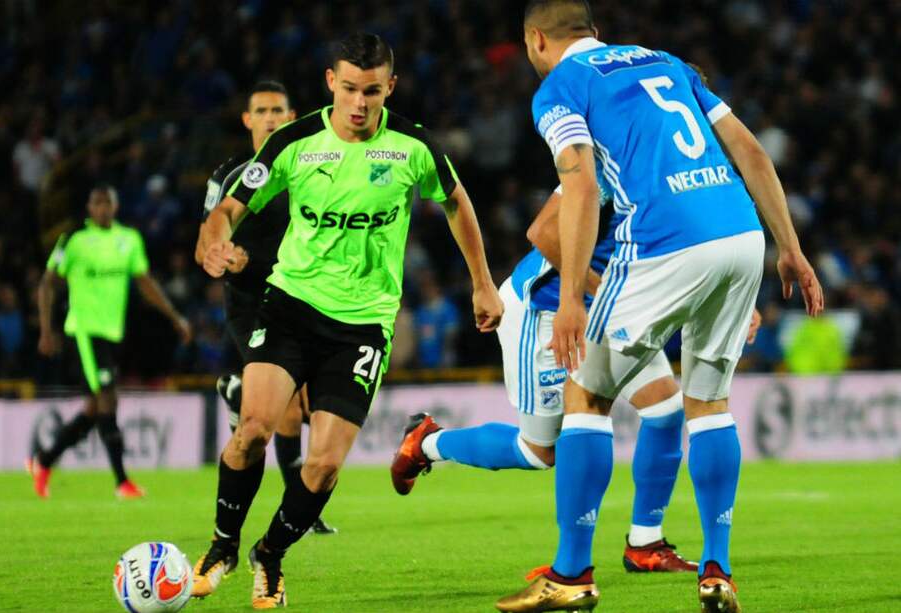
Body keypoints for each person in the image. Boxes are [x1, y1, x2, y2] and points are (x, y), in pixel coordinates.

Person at [497, 2, 823, 612]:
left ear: (537, 40)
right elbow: (752, 153)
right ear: (593, 32)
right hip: (741, 233)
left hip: (663, 242)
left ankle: (570, 576)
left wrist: (570, 298)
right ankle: (717, 568)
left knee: (585, 396)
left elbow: (583, 187)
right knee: (709, 402)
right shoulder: (668, 62)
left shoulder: (561, 87)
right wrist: (792, 249)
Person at [194, 32, 503, 609]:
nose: (361, 104)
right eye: (351, 89)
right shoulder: (294, 140)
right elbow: (231, 206)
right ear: (330, 83)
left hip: (363, 325)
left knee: (325, 467)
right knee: (253, 429)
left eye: (373, 91)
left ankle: (271, 554)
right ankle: (222, 545)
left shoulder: (412, 146)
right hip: (290, 304)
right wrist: (211, 238)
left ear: (390, 87)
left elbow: (458, 201)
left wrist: (482, 282)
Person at [392, 187, 761, 572]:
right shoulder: (604, 164)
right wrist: (602, 293)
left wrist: (734, 300)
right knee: (538, 451)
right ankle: (427, 443)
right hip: (546, 311)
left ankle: (645, 542)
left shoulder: (670, 172)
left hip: (611, 312)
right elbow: (545, 234)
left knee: (666, 409)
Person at [194, 80, 337, 538]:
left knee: (307, 406)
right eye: (262, 110)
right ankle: (301, 507)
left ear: (292, 116)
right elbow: (209, 234)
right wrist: (218, 256)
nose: (271, 118)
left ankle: (239, 391)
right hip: (250, 299)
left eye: (279, 109)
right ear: (247, 119)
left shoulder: (309, 166)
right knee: (291, 409)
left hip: (302, 295)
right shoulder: (230, 173)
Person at [31, 185, 192, 499]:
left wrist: (175, 317)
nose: (102, 208)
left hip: (112, 333)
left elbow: (144, 282)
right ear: (90, 207)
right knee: (108, 399)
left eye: (107, 202)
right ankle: (122, 482)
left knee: (94, 408)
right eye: (97, 202)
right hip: (84, 331)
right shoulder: (74, 241)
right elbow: (47, 284)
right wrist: (46, 330)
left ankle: (44, 460)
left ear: (115, 206)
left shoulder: (128, 240)